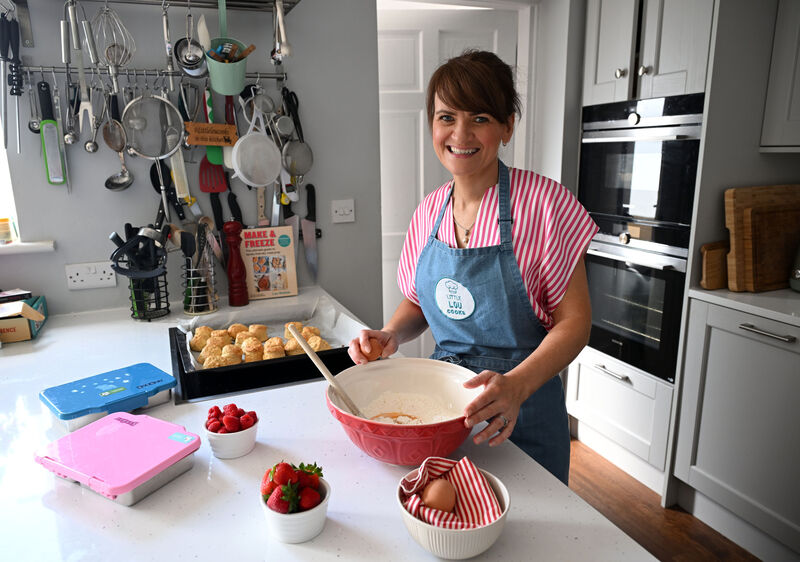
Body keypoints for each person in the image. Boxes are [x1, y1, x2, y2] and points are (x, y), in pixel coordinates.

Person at [348, 50, 597, 485]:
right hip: (443, 414)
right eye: (446, 117)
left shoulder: (544, 204)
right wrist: (390, 334)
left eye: (479, 117)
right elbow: (418, 303)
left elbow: (575, 322)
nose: (460, 133)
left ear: (507, 126)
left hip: (524, 415)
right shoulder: (428, 212)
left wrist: (516, 386)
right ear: (432, 125)